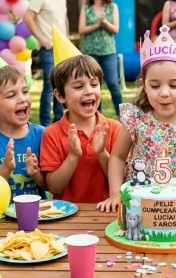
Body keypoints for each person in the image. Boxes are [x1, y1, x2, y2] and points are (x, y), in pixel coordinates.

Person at [97, 26, 176, 212]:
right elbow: (118, 157)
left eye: (174, 85)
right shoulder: (136, 117)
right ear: (143, 85)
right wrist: (115, 193)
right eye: (155, 85)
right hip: (141, 205)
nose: (164, 93)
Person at [39, 55, 121, 203]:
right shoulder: (51, 134)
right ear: (60, 95)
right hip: (67, 217)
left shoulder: (115, 128)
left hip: (108, 213)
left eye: (94, 84)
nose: (89, 91)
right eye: (78, 86)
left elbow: (122, 183)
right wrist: (73, 155)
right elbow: (54, 188)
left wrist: (102, 153)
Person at [0, 65, 46, 198]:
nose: (22, 99)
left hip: (37, 214)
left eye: (25, 91)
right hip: (0, 216)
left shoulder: (42, 135)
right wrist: (6, 168)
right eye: (11, 95)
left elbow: (48, 186)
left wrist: (36, 174)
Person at [23, 0, 71, 126]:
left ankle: (58, 120)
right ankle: (44, 124)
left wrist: (67, 38)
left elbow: (64, 18)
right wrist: (41, 39)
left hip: (62, 48)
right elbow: (28, 17)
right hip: (48, 48)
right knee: (50, 86)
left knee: (62, 85)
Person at [78, 0, 122, 117]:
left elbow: (115, 29)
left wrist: (105, 22)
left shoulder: (112, 7)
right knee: (94, 86)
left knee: (113, 84)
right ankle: (98, 117)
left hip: (108, 51)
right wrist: (97, 24)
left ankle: (123, 117)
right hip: (90, 53)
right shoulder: (86, 8)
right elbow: (81, 29)